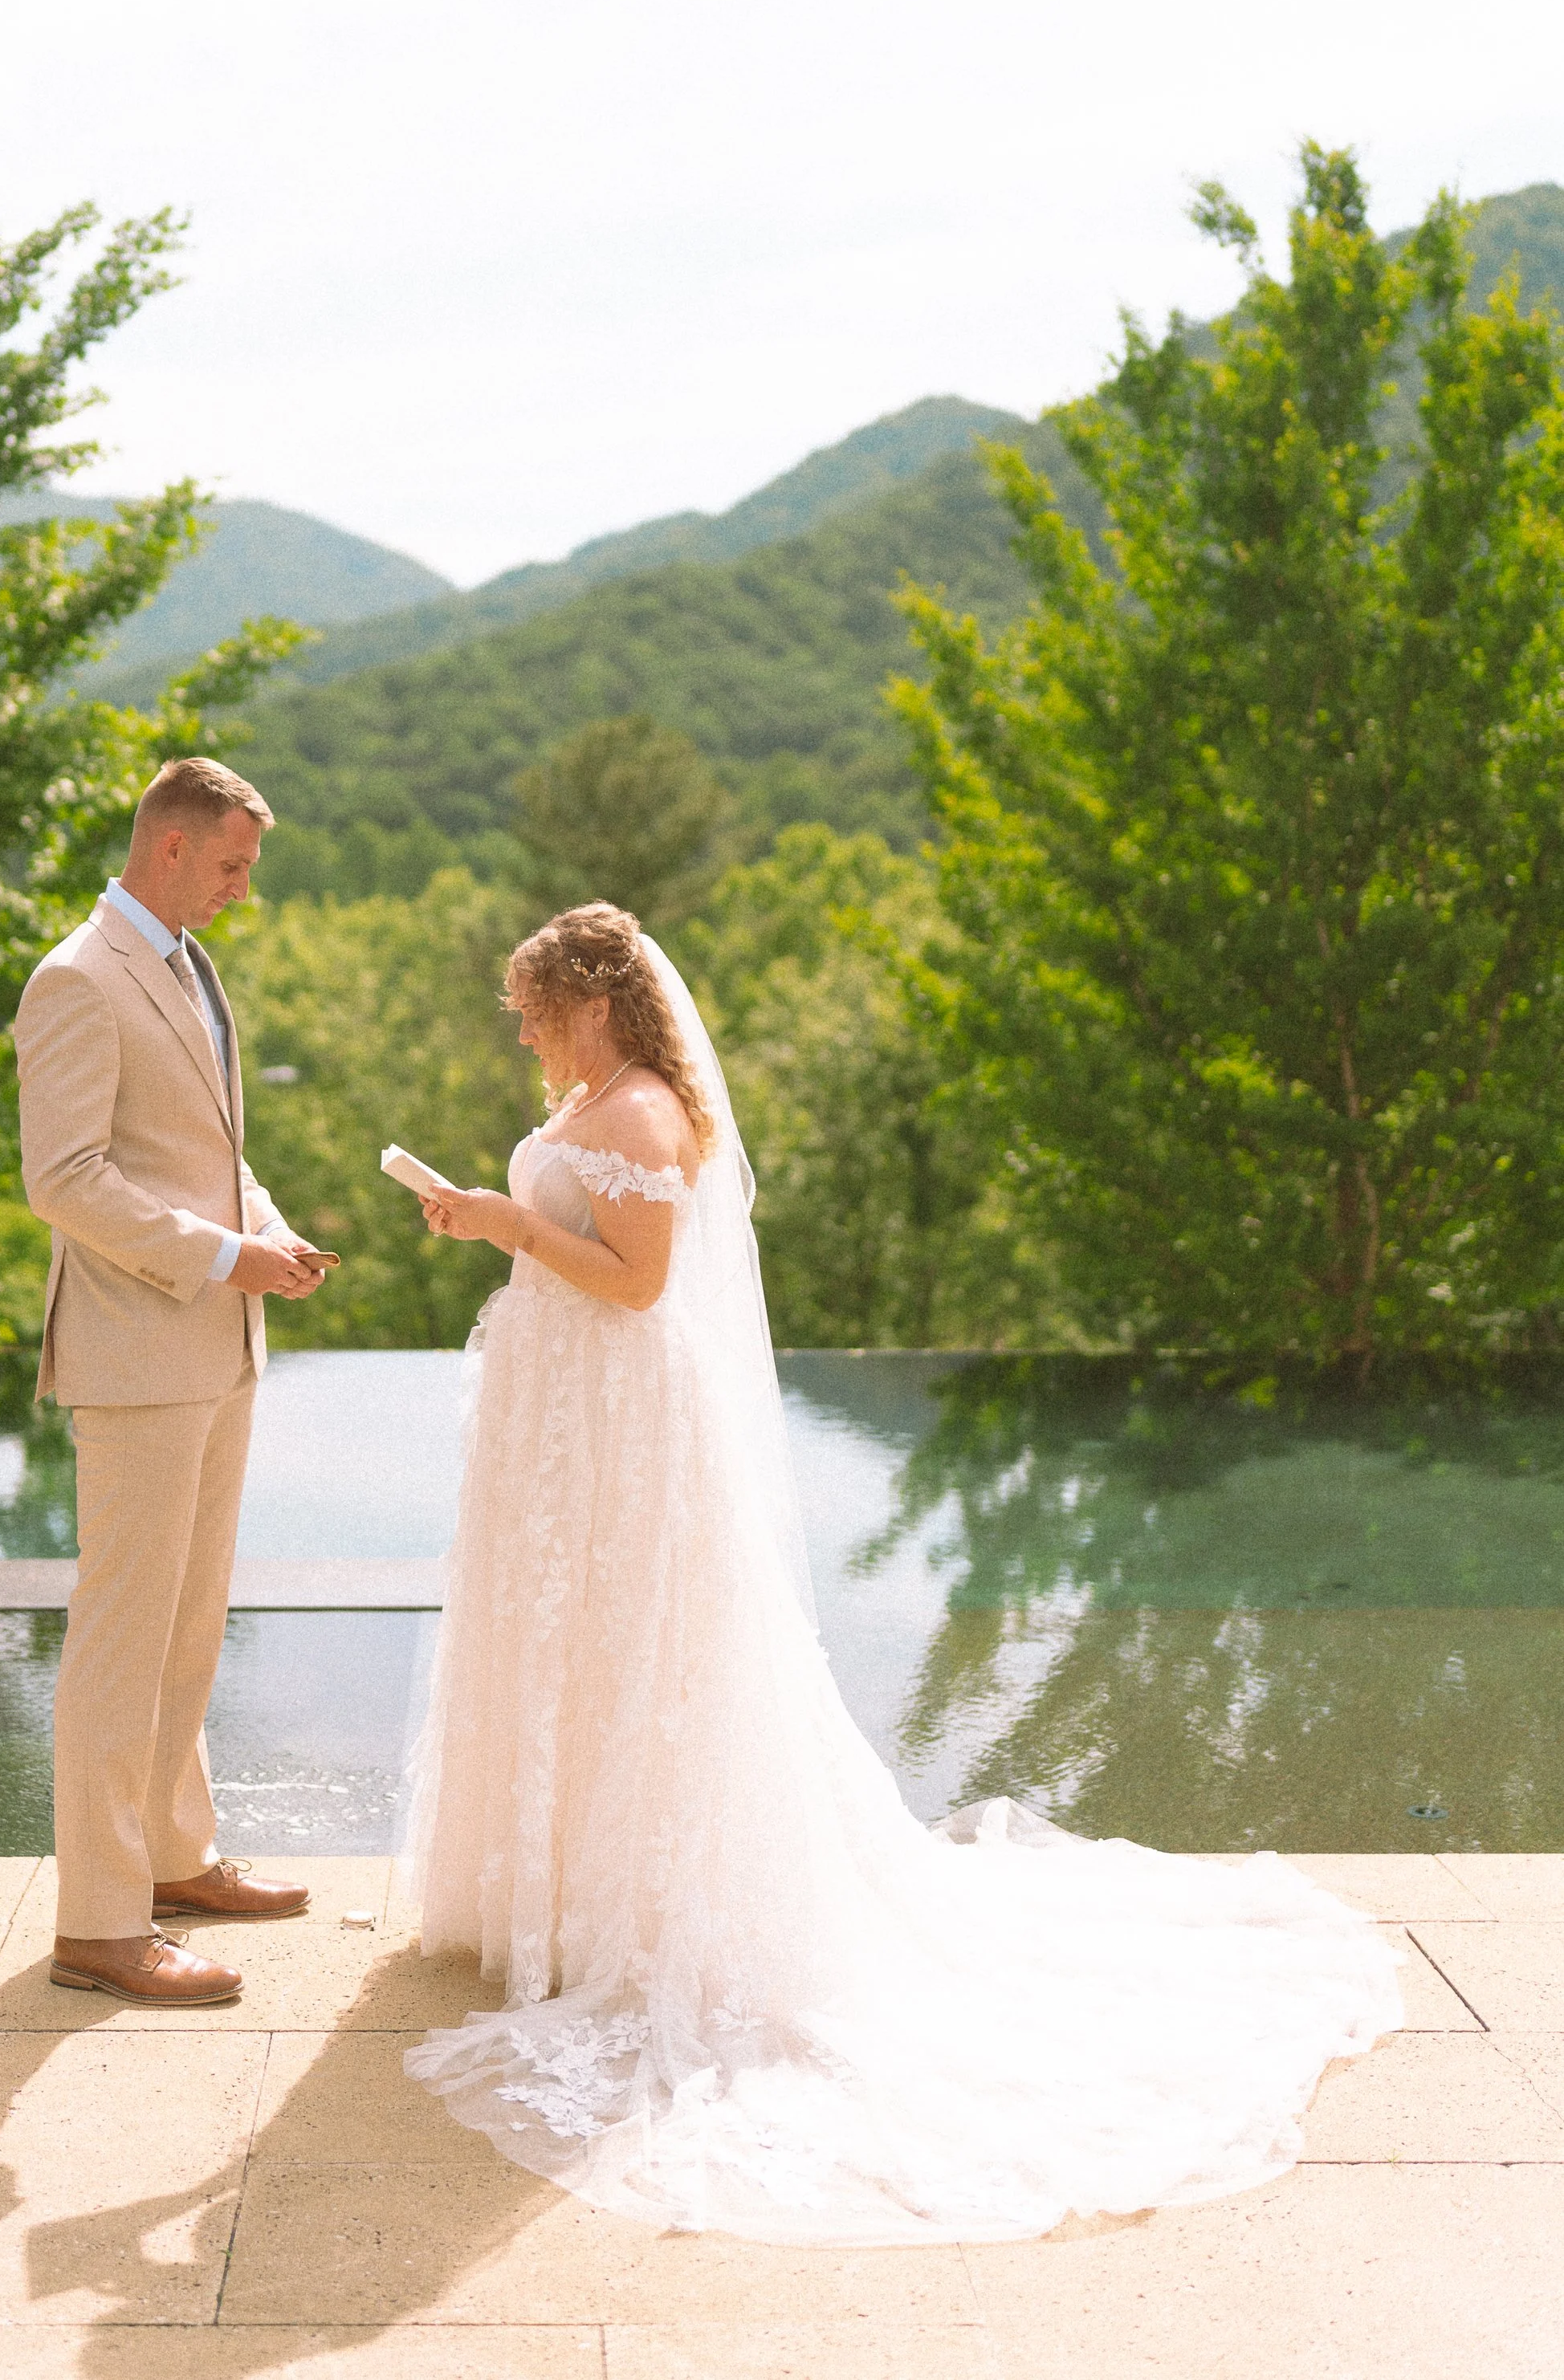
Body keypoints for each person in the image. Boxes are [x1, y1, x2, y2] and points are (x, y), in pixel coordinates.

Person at [401, 900, 1403, 2243]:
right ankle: (564, 1893)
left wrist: (503, 1226)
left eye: (534, 1011)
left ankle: (637, 1909)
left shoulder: (640, 1113)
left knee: (640, 1655)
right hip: (570, 1421)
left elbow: (637, 1286)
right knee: (569, 1647)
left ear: (592, 1002)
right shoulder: (595, 1098)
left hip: (624, 1425)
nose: (523, 1033)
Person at [15, 757, 333, 2005]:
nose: (243, 889)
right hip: (137, 1353)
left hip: (218, 1342)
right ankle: (100, 1925)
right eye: (233, 866)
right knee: (121, 1641)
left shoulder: (188, 965)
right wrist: (218, 1256)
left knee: (190, 1627)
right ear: (171, 849)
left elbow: (204, 1151)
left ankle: (173, 1859)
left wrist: (267, 1232)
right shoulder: (77, 979)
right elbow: (66, 1179)